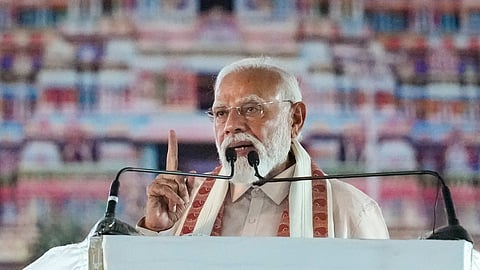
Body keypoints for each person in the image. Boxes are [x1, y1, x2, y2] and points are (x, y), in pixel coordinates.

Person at [137, 57, 389, 238]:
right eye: (221, 113)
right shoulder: (185, 205)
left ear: (295, 119)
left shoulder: (349, 210)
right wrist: (157, 231)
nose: (232, 126)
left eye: (251, 109)